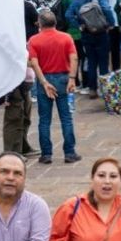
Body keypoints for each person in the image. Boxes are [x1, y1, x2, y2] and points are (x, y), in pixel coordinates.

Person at [27, 9, 81, 164]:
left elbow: (34, 63)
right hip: (63, 77)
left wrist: (44, 82)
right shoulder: (66, 38)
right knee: (66, 117)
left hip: (45, 78)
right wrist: (72, 78)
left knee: (44, 119)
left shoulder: (34, 40)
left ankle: (46, 154)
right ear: (55, 22)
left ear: (40, 23)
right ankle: (69, 153)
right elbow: (74, 58)